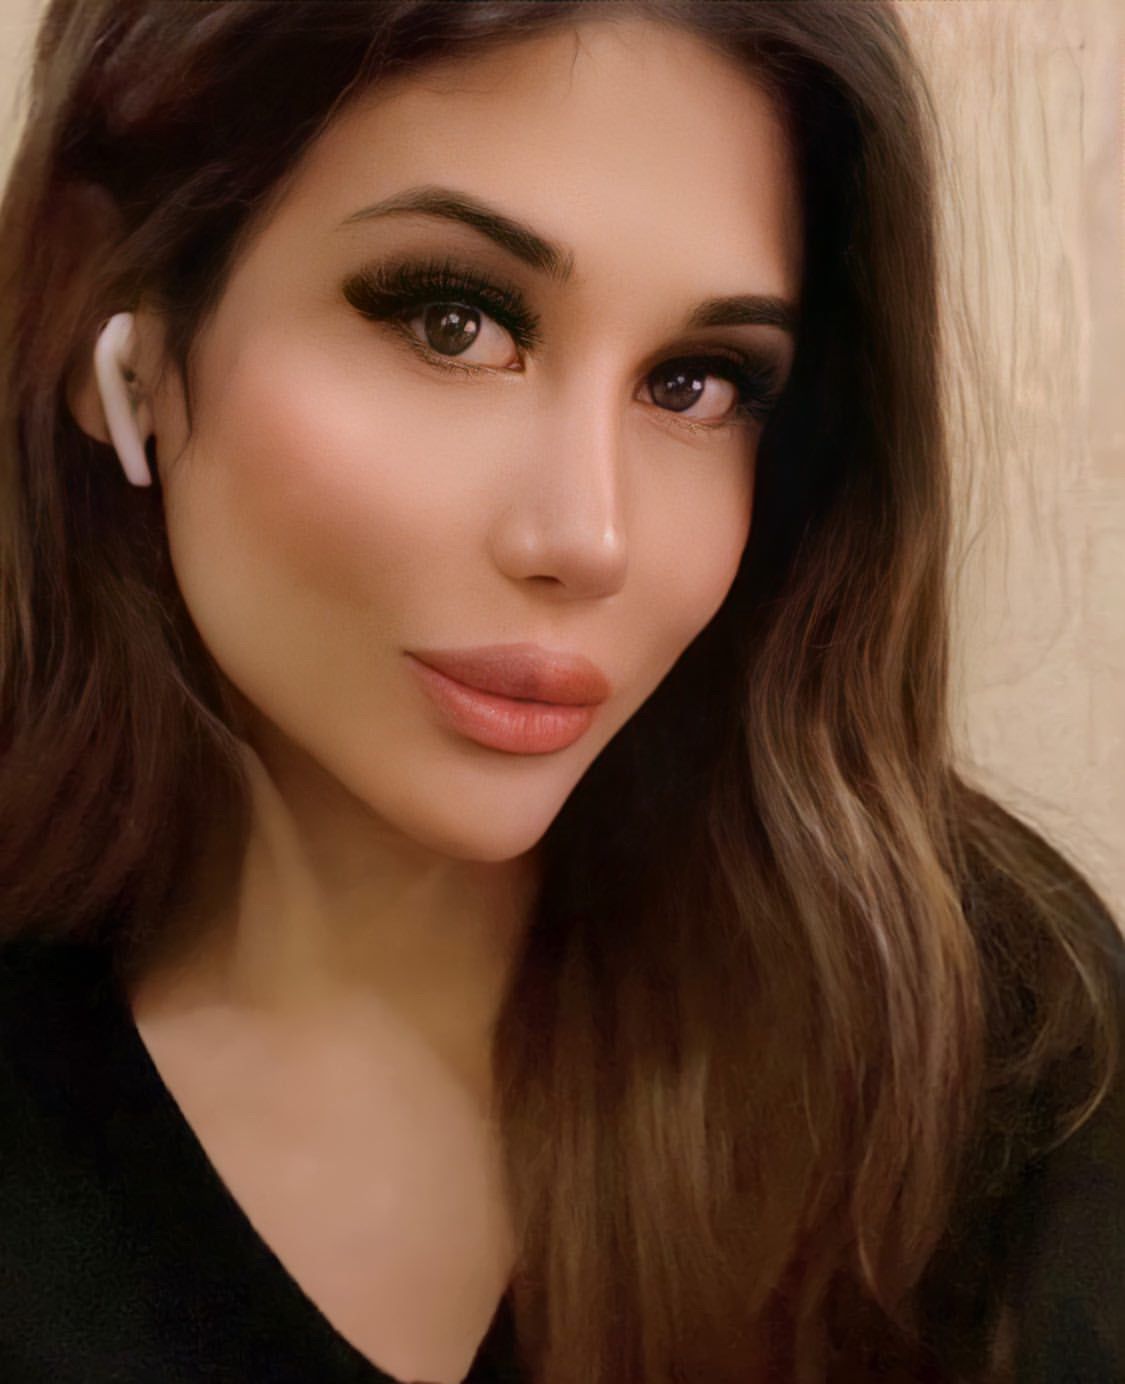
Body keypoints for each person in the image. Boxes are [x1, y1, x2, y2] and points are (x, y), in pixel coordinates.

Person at [0, 2, 1121, 1382]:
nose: (590, 538)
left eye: (695, 384)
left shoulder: (990, 1034)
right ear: (107, 324)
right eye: (453, 322)